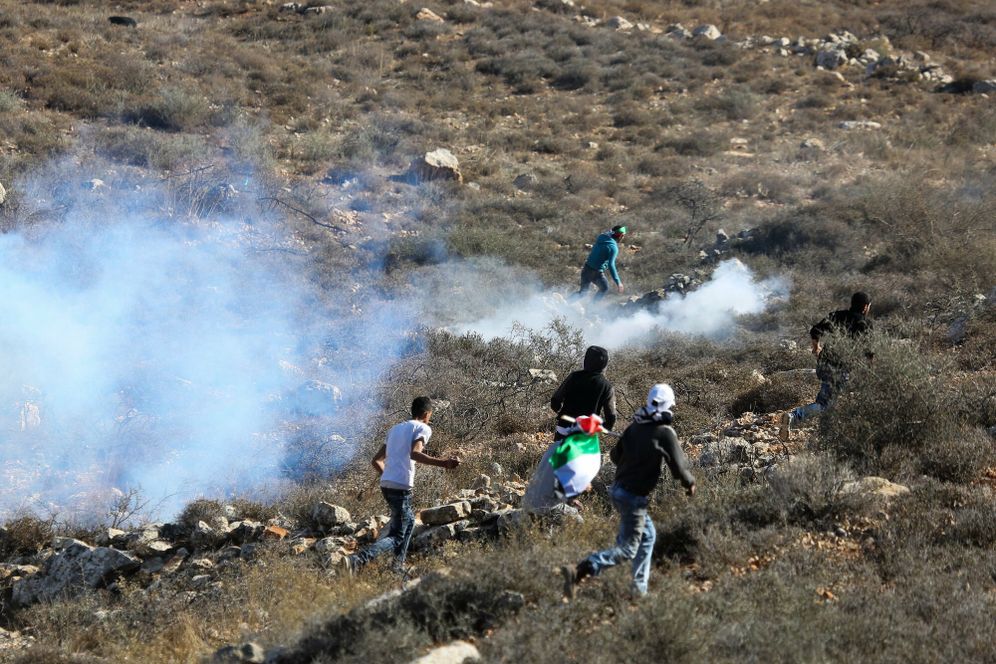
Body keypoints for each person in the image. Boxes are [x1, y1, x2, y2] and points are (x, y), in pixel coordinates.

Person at [562, 383, 695, 598]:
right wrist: (689, 483)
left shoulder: (634, 427)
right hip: (633, 497)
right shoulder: (664, 432)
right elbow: (679, 466)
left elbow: (615, 456)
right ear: (669, 406)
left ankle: (638, 590)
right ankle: (582, 569)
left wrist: (633, 448)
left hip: (618, 491)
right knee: (628, 549)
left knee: (648, 536)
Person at [347, 397, 460, 573]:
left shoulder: (395, 429)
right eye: (429, 415)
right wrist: (445, 463)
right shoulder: (423, 427)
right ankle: (359, 559)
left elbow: (376, 461)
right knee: (397, 535)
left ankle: (397, 568)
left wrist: (389, 473)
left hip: (387, 485)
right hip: (400, 487)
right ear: (426, 414)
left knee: (407, 525)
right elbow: (415, 454)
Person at [522, 346, 618, 514]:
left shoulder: (574, 377)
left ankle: (553, 498)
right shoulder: (607, 386)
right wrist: (602, 431)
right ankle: (568, 501)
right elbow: (612, 417)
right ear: (605, 366)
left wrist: (561, 414)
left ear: (586, 361)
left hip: (563, 429)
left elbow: (555, 400)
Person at [780, 291, 873, 442]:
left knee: (828, 399)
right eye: (869, 306)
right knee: (825, 405)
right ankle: (794, 416)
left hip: (823, 365)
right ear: (865, 307)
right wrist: (870, 371)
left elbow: (815, 331)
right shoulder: (865, 324)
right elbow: (869, 353)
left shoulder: (838, 315)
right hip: (839, 369)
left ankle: (823, 432)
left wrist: (816, 348)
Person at [577, 225, 627, 299]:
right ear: (621, 235)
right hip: (596, 272)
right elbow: (611, 265)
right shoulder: (613, 248)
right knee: (604, 288)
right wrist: (618, 282)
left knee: (582, 293)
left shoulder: (601, 237)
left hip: (586, 268)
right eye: (623, 235)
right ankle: (592, 307)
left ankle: (565, 303)